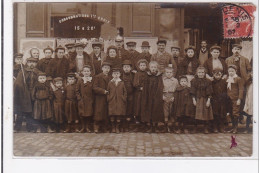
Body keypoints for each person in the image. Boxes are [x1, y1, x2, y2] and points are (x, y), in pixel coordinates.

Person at [14, 57, 41, 132]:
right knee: (21, 112)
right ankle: (17, 127)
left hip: (33, 94)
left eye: (34, 62)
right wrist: (23, 89)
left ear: (36, 64)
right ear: (27, 63)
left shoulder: (37, 72)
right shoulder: (22, 71)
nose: (32, 64)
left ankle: (30, 128)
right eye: (30, 62)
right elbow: (18, 83)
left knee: (31, 112)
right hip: (24, 94)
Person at [141, 61, 164, 133]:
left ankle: (155, 126)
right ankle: (150, 125)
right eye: (152, 67)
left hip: (157, 96)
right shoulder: (147, 75)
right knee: (149, 110)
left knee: (156, 110)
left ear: (157, 68)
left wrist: (158, 95)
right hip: (149, 96)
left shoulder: (159, 76)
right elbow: (145, 86)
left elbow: (160, 86)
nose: (153, 69)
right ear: (149, 68)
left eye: (155, 67)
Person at [190, 66, 214, 134]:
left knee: (206, 113)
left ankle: (205, 128)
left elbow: (210, 91)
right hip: (197, 99)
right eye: (199, 72)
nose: (201, 74)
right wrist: (194, 100)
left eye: (202, 72)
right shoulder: (193, 81)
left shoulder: (208, 81)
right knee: (196, 113)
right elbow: (192, 91)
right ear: (196, 73)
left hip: (205, 99)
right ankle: (195, 128)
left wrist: (208, 100)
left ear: (205, 73)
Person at [93, 61, 111, 133]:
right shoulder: (98, 77)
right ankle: (96, 127)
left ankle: (104, 127)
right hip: (100, 97)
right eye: (105, 68)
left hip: (108, 97)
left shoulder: (110, 77)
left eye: (108, 68)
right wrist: (103, 91)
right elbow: (95, 88)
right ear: (102, 68)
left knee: (105, 113)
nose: (107, 69)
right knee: (98, 112)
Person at [107, 68, 127, 133]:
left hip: (120, 101)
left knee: (118, 114)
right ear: (112, 75)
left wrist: (123, 98)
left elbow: (125, 92)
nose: (116, 75)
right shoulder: (110, 83)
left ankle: (117, 127)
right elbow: (108, 91)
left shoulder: (122, 82)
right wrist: (109, 98)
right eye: (114, 74)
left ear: (120, 74)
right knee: (112, 114)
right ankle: (113, 127)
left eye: (117, 73)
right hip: (112, 101)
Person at [226, 65, 244, 134]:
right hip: (229, 99)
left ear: (235, 71)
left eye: (232, 71)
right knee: (231, 112)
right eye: (229, 71)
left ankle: (236, 128)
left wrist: (239, 99)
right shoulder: (228, 78)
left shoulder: (238, 79)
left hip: (235, 99)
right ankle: (233, 127)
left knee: (235, 113)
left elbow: (241, 89)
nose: (231, 73)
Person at [76, 65, 94, 133]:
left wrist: (92, 99)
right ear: (82, 72)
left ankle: (87, 127)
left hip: (89, 100)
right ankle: (83, 127)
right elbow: (77, 90)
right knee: (82, 114)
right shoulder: (80, 80)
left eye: (88, 71)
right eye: (85, 71)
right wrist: (79, 98)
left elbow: (93, 89)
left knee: (88, 114)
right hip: (82, 100)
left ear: (90, 72)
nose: (86, 72)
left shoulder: (92, 80)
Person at [211, 69, 228, 133]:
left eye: (219, 75)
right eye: (216, 75)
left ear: (221, 75)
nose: (217, 76)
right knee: (215, 114)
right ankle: (215, 127)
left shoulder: (224, 82)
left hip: (222, 100)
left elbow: (225, 91)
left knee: (222, 114)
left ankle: (221, 127)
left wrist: (224, 97)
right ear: (213, 75)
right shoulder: (212, 82)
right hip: (215, 100)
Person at [162, 67, 178, 133]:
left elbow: (177, 90)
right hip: (165, 95)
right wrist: (162, 96)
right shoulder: (162, 80)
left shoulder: (175, 80)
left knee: (172, 111)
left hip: (172, 96)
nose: (169, 74)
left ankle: (172, 127)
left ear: (173, 73)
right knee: (165, 112)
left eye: (170, 72)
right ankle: (165, 127)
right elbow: (160, 89)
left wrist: (174, 97)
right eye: (167, 72)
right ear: (165, 73)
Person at [133, 59, 149, 126]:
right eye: (141, 65)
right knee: (138, 105)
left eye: (144, 65)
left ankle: (144, 120)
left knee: (144, 105)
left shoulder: (147, 74)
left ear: (146, 66)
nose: (142, 67)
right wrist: (139, 87)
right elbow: (135, 83)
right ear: (139, 66)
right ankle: (137, 119)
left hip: (146, 93)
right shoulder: (137, 74)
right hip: (139, 93)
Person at [121, 60, 134, 132]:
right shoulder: (120, 75)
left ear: (131, 68)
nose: (126, 68)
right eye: (125, 67)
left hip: (131, 95)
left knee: (129, 109)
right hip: (122, 95)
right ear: (122, 68)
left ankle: (127, 126)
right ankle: (122, 125)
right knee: (122, 109)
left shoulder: (133, 75)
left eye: (128, 67)